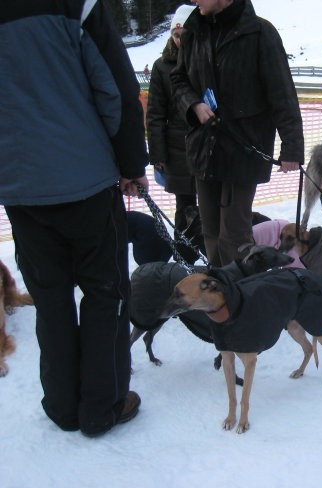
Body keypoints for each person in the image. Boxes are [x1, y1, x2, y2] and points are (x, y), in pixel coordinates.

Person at [1, 0, 148, 435]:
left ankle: (62, 406)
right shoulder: (77, 6)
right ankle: (102, 407)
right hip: (86, 179)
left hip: (20, 189)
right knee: (105, 295)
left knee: (50, 297)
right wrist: (130, 164)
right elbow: (116, 89)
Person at [171, 0, 303, 266]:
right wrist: (193, 104)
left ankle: (242, 297)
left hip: (243, 149)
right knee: (209, 231)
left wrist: (292, 147)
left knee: (234, 234)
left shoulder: (260, 33)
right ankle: (221, 291)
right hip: (203, 146)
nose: (194, 1)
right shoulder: (193, 31)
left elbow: (282, 92)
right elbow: (178, 79)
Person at [147, 4, 198, 259]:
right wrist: (158, 155)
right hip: (178, 151)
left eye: (185, 35)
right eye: (177, 35)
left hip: (207, 145)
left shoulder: (204, 59)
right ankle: (184, 260)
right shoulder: (161, 67)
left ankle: (210, 255)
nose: (180, 40)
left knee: (212, 207)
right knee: (185, 207)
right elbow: (155, 114)